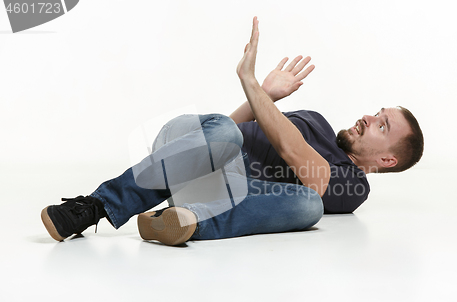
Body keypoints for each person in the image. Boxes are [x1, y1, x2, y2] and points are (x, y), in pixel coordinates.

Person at [41, 17, 424, 246]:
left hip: (220, 192)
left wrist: (256, 89)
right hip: (187, 148)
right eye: (376, 113)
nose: (368, 118)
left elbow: (307, 168)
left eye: (381, 124)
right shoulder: (317, 120)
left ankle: (183, 221)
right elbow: (222, 133)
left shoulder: (355, 187)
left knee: (309, 205)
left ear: (388, 159)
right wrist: (261, 94)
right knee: (227, 132)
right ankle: (96, 206)